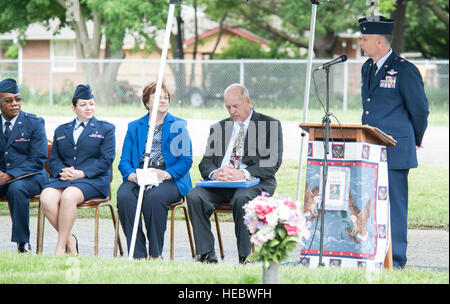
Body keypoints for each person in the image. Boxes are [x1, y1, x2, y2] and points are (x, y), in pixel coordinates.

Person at [358, 16, 429, 268]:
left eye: (364, 39)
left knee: (395, 208)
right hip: (370, 149)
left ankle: (396, 260)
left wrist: (415, 139)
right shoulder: (368, 67)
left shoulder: (405, 70)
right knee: (370, 205)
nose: (360, 42)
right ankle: (373, 254)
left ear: (379, 41)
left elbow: (420, 110)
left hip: (395, 150)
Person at [187, 83, 283, 264]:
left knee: (242, 199)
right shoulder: (219, 127)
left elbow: (272, 163)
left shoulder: (270, 124)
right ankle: (207, 254)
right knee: (194, 196)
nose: (231, 111)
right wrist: (216, 173)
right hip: (221, 183)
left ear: (247, 101)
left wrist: (243, 173)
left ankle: (245, 257)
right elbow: (206, 162)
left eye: (235, 106)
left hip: (254, 183)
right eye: (228, 107)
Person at [117, 81, 193, 259]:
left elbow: (186, 160)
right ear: (147, 103)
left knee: (154, 197)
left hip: (169, 177)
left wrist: (166, 174)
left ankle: (155, 254)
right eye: (158, 97)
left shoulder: (178, 125)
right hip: (140, 174)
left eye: (166, 97)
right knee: (125, 197)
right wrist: (132, 176)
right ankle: (137, 253)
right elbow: (124, 161)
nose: (164, 100)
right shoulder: (135, 127)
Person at [40, 84, 116, 256]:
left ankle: (60, 249)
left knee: (68, 196)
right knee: (46, 198)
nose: (88, 108)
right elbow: (54, 160)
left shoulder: (106, 129)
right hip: (65, 179)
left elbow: (106, 159)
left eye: (91, 103)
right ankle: (70, 241)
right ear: (73, 108)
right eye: (83, 104)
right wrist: (61, 171)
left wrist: (82, 173)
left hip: (93, 180)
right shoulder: (61, 130)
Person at [0, 78, 49, 253]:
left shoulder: (34, 123)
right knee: (13, 186)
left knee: (17, 188)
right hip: (3, 178)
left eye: (18, 99)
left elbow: (38, 159)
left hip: (32, 177)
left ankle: (22, 243)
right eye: (8, 100)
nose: (14, 104)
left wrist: (9, 175)